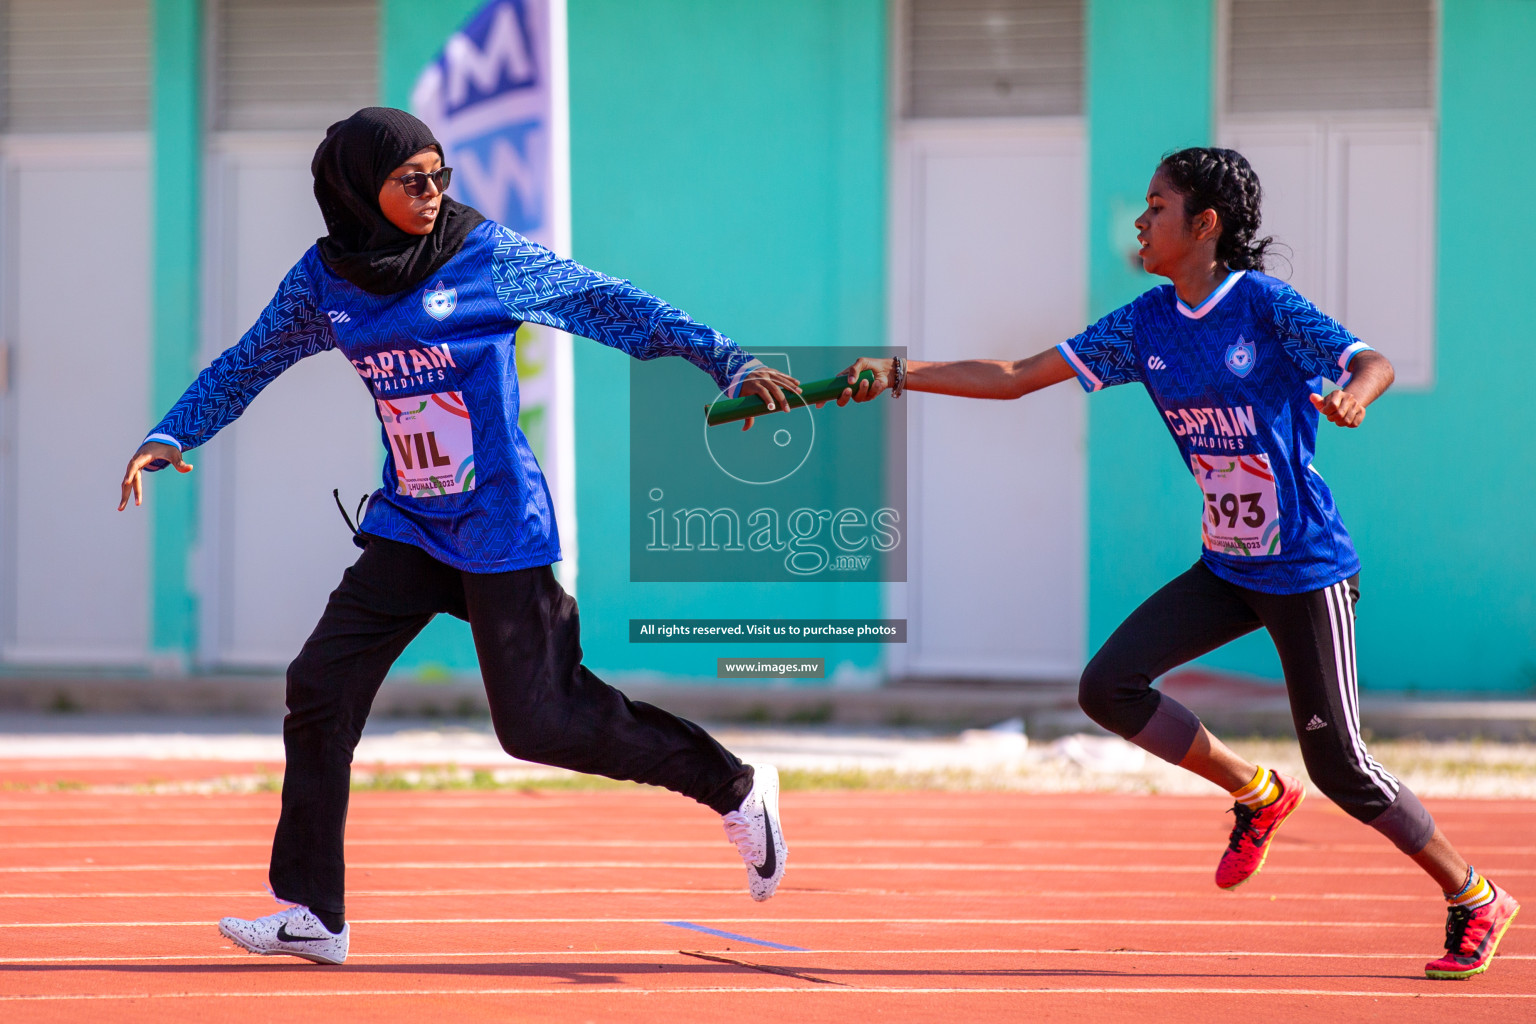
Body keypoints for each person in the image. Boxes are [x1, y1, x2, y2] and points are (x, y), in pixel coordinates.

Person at [118, 107, 794, 966]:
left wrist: (727, 358)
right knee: (319, 685)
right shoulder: (326, 281)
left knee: (540, 724)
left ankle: (734, 787)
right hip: (411, 524)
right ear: (361, 188)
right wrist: (172, 433)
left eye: (442, 176)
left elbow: (613, 305)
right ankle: (313, 913)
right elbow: (249, 360)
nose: (435, 193)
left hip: (501, 527)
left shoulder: (486, 255)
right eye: (413, 180)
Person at [833, 147, 1519, 980]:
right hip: (1228, 567)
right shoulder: (1144, 323)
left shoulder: (1264, 308)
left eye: (1156, 207)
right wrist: (900, 373)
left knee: (1338, 759)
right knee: (1107, 687)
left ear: (1204, 225)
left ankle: (1474, 893)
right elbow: (1015, 377)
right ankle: (1256, 793)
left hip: (1305, 569)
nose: (1140, 221)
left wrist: (1354, 396)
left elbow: (1370, 361)